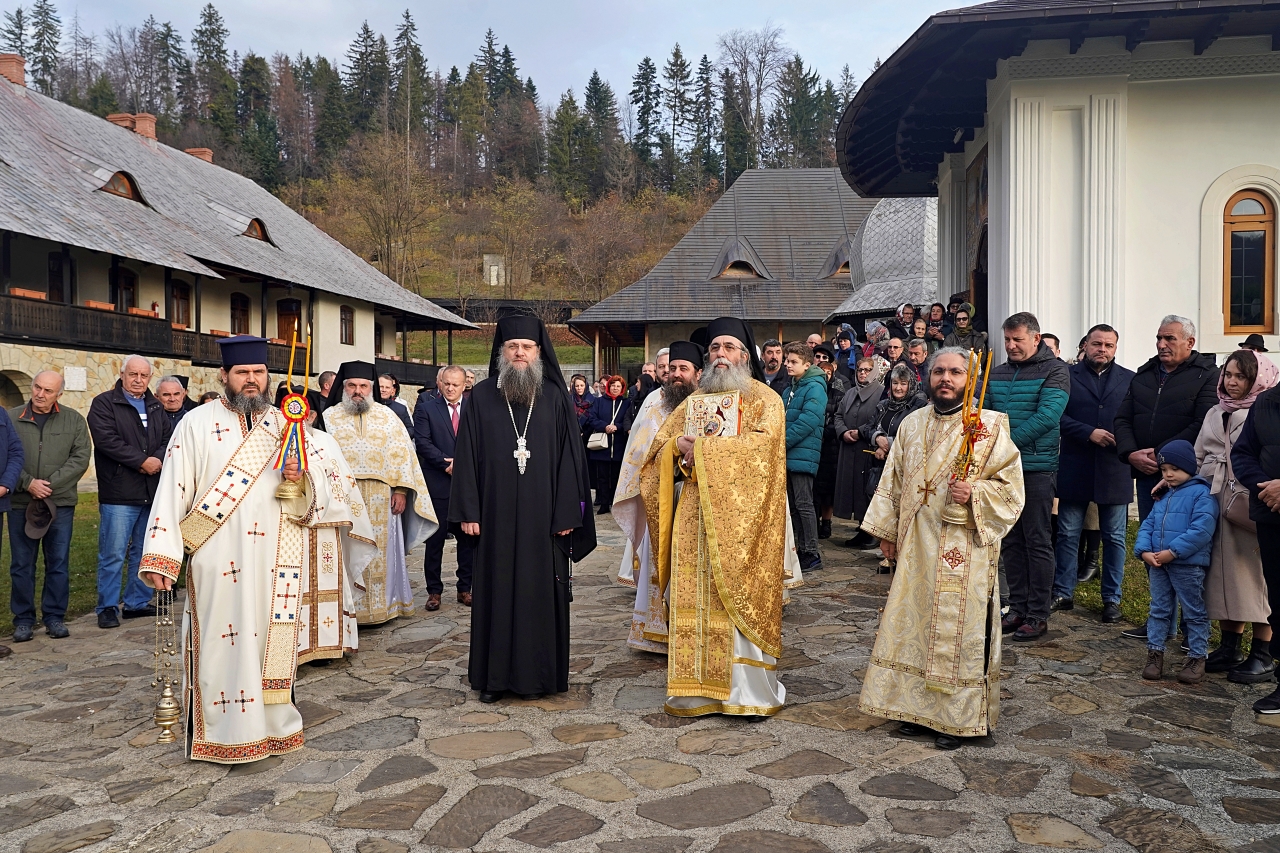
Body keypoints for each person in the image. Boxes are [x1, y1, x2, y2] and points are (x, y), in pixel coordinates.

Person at [140, 335, 377, 762]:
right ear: (224, 375)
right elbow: (172, 489)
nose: (251, 380)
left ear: (268, 376)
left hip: (278, 555)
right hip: (217, 554)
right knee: (221, 643)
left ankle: (275, 728)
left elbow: (320, 492)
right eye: (242, 373)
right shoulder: (195, 423)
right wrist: (163, 554)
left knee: (272, 642)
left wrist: (301, 478)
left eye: (259, 372)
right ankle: (225, 734)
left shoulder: (287, 423)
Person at [858, 347, 1025, 749]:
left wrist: (976, 493)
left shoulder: (988, 426)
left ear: (970, 379)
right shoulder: (912, 423)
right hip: (916, 545)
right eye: (939, 372)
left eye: (955, 372)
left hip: (962, 547)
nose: (946, 379)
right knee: (913, 626)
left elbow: (1012, 489)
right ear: (928, 378)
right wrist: (886, 532)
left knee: (957, 633)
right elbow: (893, 480)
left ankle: (957, 719)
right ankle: (913, 708)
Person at [639, 316, 788, 718]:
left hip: (744, 524)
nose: (721, 354)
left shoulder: (765, 400)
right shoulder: (693, 400)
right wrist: (676, 445)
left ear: (745, 356)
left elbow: (763, 451)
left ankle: (744, 692)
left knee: (734, 599)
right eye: (715, 348)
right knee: (694, 598)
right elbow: (657, 453)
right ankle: (695, 691)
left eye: (729, 347)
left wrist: (702, 451)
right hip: (694, 517)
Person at [450, 315, 596, 703]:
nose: (519, 352)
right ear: (501, 352)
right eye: (512, 346)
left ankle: (540, 678)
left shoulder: (556, 397)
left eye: (526, 347)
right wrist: (468, 510)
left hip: (545, 519)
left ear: (538, 352)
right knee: (495, 594)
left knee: (539, 595)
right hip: (494, 516)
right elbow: (466, 456)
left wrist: (568, 512)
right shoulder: (481, 396)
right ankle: (494, 680)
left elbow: (571, 459)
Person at [1114, 315, 1219, 640]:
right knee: (1155, 547)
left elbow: (1201, 424)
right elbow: (1122, 418)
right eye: (1159, 338)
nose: (1162, 344)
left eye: (1170, 338)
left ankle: (1191, 628)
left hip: (1187, 480)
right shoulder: (1146, 374)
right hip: (1149, 475)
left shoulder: (1206, 375)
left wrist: (1162, 456)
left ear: (1190, 342)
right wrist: (1130, 453)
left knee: (1186, 552)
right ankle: (1161, 621)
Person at [324, 362, 437, 625]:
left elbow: (402, 455)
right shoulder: (328, 417)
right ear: (343, 387)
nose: (358, 391)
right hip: (342, 495)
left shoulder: (388, 417)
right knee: (349, 552)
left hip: (382, 496)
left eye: (364, 386)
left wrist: (401, 490)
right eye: (352, 385)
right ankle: (349, 612)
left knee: (382, 555)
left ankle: (384, 608)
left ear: (371, 388)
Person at [614, 341, 704, 652]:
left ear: (698, 373)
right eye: (671, 368)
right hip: (664, 500)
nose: (675, 374)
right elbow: (640, 453)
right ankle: (658, 632)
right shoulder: (655, 406)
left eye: (683, 369)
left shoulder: (711, 405)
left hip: (702, 502)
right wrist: (674, 448)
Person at [1195, 350, 1278, 682]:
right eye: (1228, 374)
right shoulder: (1216, 411)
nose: (1231, 382)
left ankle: (1263, 651)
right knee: (1225, 576)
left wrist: (1260, 489)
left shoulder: (1265, 410)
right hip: (1216, 501)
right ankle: (1230, 645)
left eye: (1241, 376)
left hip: (1251, 503)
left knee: (1257, 579)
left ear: (1258, 379)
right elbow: (1200, 453)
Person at [987, 313, 1070, 641]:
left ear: (1036, 339)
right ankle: (1017, 607)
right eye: (1007, 339)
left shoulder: (1055, 370)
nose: (1011, 345)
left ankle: (1038, 613)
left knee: (1037, 539)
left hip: (1036, 466)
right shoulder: (998, 372)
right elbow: (988, 414)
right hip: (1002, 468)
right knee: (1010, 539)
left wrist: (1004, 445)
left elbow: (1048, 415)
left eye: (1017, 339)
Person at [1052, 325, 1134, 622]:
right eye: (1097, 344)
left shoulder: (1129, 379)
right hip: (1076, 463)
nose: (1102, 349)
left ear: (1115, 348)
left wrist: (1122, 440)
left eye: (1108, 345)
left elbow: (1135, 418)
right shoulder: (1066, 376)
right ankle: (1063, 592)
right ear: (1085, 345)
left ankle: (1112, 598)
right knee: (1067, 534)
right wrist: (1088, 432)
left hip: (1114, 467)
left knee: (1115, 537)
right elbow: (1056, 415)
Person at [87, 355, 171, 627]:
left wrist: (157, 459)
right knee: (113, 554)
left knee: (144, 552)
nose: (138, 380)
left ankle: (136, 603)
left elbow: (169, 438)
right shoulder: (104, 403)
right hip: (119, 491)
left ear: (150, 378)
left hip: (151, 490)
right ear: (122, 374)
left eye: (144, 375)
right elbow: (106, 440)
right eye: (133, 374)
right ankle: (107, 607)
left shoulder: (155, 405)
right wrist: (141, 461)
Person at [9, 370, 89, 643]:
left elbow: (80, 458)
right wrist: (28, 483)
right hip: (21, 503)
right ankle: (23, 620)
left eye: (48, 391)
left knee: (58, 563)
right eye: (37, 387)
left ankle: (54, 617)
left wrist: (48, 486)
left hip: (59, 503)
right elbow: (3, 456)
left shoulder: (74, 420)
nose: (40, 394)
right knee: (21, 564)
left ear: (59, 394)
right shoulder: (11, 418)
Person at [1134, 440, 1215, 684]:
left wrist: (1174, 552)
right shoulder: (1164, 495)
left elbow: (1202, 529)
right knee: (1158, 609)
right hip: (1159, 564)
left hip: (1187, 566)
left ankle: (1197, 657)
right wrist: (1144, 551)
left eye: (1175, 469)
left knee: (1194, 611)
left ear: (1189, 467)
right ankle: (1154, 654)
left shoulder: (1202, 494)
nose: (1168, 474)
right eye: (1164, 469)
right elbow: (1148, 524)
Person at [1229, 378, 1280, 715]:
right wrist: (1267, 489)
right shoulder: (1267, 402)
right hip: (1272, 515)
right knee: (1279, 600)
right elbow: (1243, 453)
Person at [414, 365, 479, 611]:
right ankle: (434, 591)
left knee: (467, 540)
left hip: (468, 486)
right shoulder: (427, 408)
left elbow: (481, 442)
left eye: (456, 384)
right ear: (440, 383)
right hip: (438, 484)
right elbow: (423, 442)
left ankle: (465, 588)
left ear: (465, 385)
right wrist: (446, 464)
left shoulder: (475, 409)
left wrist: (462, 465)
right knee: (435, 541)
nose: (451, 388)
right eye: (447, 383)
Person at [859, 363, 928, 571]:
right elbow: (868, 427)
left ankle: (901, 553)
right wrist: (877, 438)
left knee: (901, 509)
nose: (898, 388)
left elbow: (915, 434)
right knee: (885, 508)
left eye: (903, 383)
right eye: (895, 383)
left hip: (905, 468)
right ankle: (887, 554)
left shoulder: (918, 406)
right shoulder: (884, 405)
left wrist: (888, 445)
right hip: (879, 466)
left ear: (911, 385)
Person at [782, 341, 828, 571]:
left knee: (804, 504)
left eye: (793, 361)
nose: (787, 364)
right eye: (787, 360)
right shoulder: (790, 389)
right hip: (789, 454)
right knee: (793, 506)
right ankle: (799, 549)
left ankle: (811, 552)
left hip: (802, 454)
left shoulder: (815, 388)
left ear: (807, 364)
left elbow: (808, 420)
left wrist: (783, 442)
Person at [833, 357, 884, 548]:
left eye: (867, 370)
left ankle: (872, 533)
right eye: (860, 370)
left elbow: (879, 418)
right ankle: (862, 530)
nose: (863, 373)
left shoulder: (881, 392)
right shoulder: (850, 393)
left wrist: (860, 431)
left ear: (874, 371)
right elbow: (838, 415)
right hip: (849, 448)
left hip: (868, 449)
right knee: (853, 489)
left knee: (866, 489)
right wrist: (843, 432)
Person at [813, 345, 847, 540]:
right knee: (815, 487)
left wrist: (825, 432)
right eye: (822, 372)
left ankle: (826, 522)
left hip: (830, 446)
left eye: (828, 372)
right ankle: (814, 521)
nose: (825, 375)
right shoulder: (812, 390)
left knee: (827, 488)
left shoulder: (838, 393)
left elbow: (839, 417)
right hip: (814, 444)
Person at [586, 375, 632, 515]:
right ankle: (604, 503)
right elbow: (592, 418)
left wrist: (617, 427)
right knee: (603, 477)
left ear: (622, 388)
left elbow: (628, 419)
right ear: (608, 387)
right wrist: (604, 426)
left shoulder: (626, 403)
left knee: (617, 476)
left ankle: (616, 503)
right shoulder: (599, 402)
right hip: (602, 446)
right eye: (613, 385)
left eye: (618, 386)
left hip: (619, 445)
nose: (615, 388)